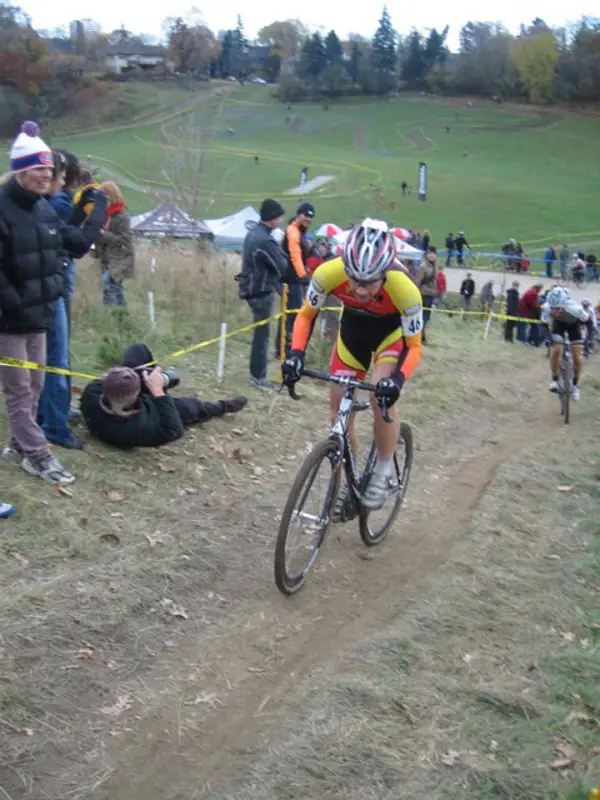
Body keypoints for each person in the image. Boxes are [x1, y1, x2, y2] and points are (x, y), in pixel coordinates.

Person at [282, 218, 423, 510]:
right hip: (352, 335)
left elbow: (414, 346)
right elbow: (307, 315)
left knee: (378, 397)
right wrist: (295, 354)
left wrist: (396, 381)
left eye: (369, 282)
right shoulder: (327, 273)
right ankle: (350, 477)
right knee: (338, 411)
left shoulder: (405, 290)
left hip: (390, 337)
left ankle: (383, 470)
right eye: (354, 280)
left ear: (385, 273)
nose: (359, 290)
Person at [0, 121, 106, 485]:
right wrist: (13, 304)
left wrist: (54, 288)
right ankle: (39, 455)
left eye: (49, 169)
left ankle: (17, 442)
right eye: (39, 169)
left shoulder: (45, 210)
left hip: (39, 315)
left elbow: (66, 248)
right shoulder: (2, 209)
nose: (46, 175)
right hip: (9, 319)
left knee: (36, 385)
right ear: (21, 171)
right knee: (17, 388)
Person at [80, 343, 247, 448]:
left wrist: (125, 376)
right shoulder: (138, 427)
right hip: (152, 408)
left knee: (138, 350)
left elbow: (100, 383)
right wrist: (158, 392)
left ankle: (149, 376)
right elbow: (174, 430)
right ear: (135, 397)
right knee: (192, 407)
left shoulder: (92, 394)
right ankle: (225, 406)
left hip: (121, 399)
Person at [37, 150, 84, 450]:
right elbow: (78, 242)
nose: (65, 180)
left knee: (52, 354)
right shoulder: (55, 204)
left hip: (49, 284)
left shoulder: (45, 205)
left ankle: (52, 412)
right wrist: (96, 207)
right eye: (62, 175)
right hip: (51, 287)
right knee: (57, 356)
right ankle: (53, 422)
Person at [238, 198, 288, 391]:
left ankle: (257, 374)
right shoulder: (265, 240)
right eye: (280, 216)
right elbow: (282, 266)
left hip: (251, 288)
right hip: (259, 291)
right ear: (272, 218)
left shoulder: (253, 233)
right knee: (262, 336)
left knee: (261, 334)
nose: (282, 220)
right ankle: (258, 378)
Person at [278, 202, 315, 356]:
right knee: (292, 314)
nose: (308, 218)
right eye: (306, 215)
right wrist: (303, 276)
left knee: (291, 313)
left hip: (294, 278)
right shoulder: (293, 231)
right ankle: (284, 347)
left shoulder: (299, 231)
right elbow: (295, 255)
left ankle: (284, 346)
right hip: (292, 279)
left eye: (311, 216)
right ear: (299, 214)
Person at [92, 182, 134, 307]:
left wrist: (105, 235)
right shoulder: (105, 214)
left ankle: (112, 314)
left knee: (109, 284)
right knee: (116, 287)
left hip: (121, 257)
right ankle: (121, 316)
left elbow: (125, 238)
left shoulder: (122, 215)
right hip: (108, 258)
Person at [543, 286, 588, 400]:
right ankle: (555, 380)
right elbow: (543, 325)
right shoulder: (547, 308)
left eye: (557, 308)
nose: (554, 311)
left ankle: (575, 386)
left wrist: (588, 339)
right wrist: (548, 338)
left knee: (577, 358)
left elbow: (588, 322)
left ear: (564, 304)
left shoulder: (575, 308)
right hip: (559, 326)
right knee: (556, 350)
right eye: (552, 308)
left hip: (574, 326)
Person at [415, 249, 437, 344]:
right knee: (422, 317)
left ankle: (422, 336)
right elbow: (418, 280)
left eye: (433, 254)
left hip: (431, 293)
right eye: (430, 254)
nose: (432, 256)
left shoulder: (434, 266)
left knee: (426, 317)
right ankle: (420, 337)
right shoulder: (423, 267)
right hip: (423, 293)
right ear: (427, 255)